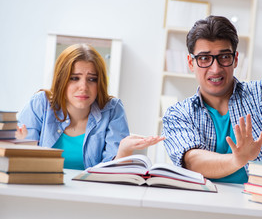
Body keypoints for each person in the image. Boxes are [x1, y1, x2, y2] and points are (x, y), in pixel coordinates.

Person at [162, 15, 262, 184]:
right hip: (203, 204)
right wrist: (236, 160)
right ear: (191, 62)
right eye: (204, 58)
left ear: (235, 59)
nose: (215, 69)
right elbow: (192, 161)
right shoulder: (177, 114)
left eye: (224, 57)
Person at [16, 43, 163, 170]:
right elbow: (21, 163)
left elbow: (114, 178)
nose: (83, 87)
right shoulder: (40, 103)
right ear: (61, 80)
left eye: (92, 79)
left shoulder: (112, 110)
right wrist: (19, 146)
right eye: (74, 78)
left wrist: (124, 150)